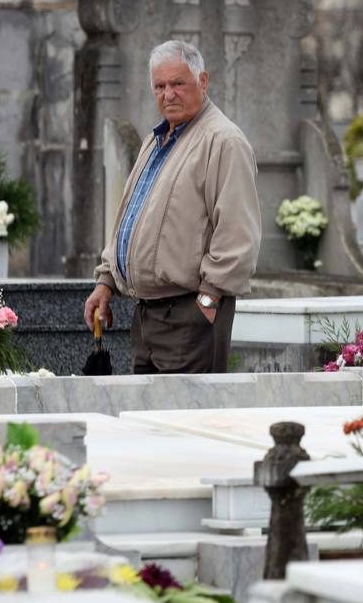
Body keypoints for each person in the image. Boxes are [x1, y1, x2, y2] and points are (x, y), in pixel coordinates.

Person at [83, 40, 261, 374]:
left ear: (203, 81)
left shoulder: (224, 141)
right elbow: (129, 217)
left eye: (179, 83)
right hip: (147, 316)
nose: (169, 94)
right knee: (148, 424)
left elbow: (238, 232)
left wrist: (208, 301)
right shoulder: (156, 140)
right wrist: (106, 281)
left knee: (185, 422)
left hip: (190, 315)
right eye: (160, 86)